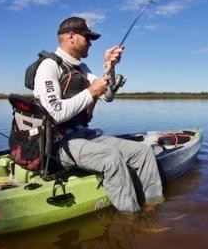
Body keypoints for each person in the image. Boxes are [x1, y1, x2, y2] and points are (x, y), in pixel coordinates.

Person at [31, 16, 164, 213]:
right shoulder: (49, 67)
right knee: (110, 157)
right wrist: (91, 92)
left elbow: (108, 95)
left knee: (143, 152)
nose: (90, 43)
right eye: (87, 38)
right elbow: (55, 114)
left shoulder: (81, 68)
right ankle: (132, 218)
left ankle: (153, 209)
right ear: (71, 36)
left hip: (82, 134)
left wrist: (109, 67)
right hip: (58, 143)